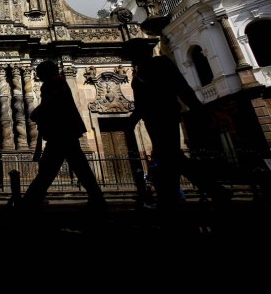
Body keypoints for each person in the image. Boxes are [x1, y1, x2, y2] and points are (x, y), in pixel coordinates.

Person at [126, 39, 231, 216]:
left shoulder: (160, 64)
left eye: (131, 53)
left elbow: (181, 86)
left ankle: (212, 191)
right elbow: (143, 104)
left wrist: (197, 108)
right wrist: (133, 119)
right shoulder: (139, 73)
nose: (129, 57)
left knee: (172, 158)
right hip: (152, 121)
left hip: (166, 117)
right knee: (169, 160)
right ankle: (170, 200)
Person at [21, 60, 106, 211]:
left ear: (47, 72)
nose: (38, 76)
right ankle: (97, 197)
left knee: (49, 168)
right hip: (64, 132)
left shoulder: (55, 83)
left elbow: (52, 102)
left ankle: (29, 201)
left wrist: (37, 112)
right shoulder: (57, 82)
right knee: (76, 166)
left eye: (40, 73)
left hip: (61, 132)